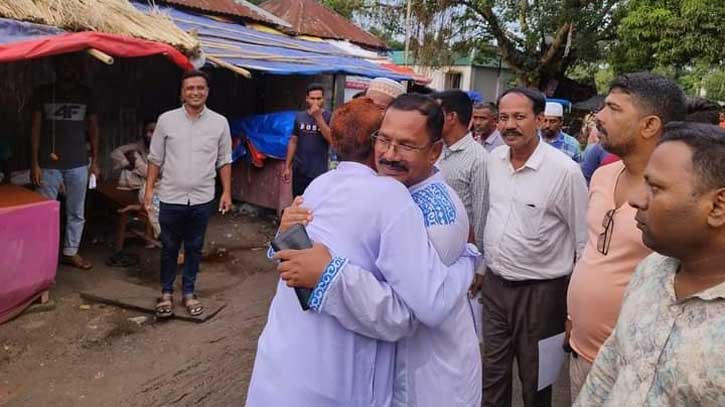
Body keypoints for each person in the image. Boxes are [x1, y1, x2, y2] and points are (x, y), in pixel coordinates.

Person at [246, 97, 475, 407]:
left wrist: (328, 274)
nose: (391, 155)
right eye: (385, 140)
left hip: (427, 379)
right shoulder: (352, 188)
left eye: (406, 145)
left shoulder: (431, 208)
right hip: (331, 375)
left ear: (435, 150)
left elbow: (425, 307)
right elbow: (297, 264)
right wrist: (290, 237)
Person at [574, 122, 725, 406]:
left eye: (655, 188)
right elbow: (610, 366)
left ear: (717, 206)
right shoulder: (651, 269)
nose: (635, 199)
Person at [566, 72, 686, 401]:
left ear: (649, 125)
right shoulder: (602, 175)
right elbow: (591, 250)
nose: (599, 117)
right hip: (581, 351)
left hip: (637, 368)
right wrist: (573, 318)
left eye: (613, 109)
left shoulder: (679, 194)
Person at [481, 87, 588, 407]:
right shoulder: (494, 159)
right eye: (503, 117)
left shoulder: (565, 171)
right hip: (496, 288)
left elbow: (583, 243)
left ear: (540, 120)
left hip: (543, 296)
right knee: (493, 375)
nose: (508, 125)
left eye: (519, 117)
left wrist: (572, 311)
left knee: (537, 382)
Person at [144, 70, 232, 318]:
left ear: (207, 91)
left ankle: (189, 293)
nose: (195, 92)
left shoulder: (219, 123)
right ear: (182, 93)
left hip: (203, 198)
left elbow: (225, 160)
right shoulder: (166, 120)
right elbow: (155, 158)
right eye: (190, 88)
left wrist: (227, 191)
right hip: (171, 196)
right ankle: (166, 292)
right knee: (169, 246)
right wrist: (149, 190)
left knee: (194, 247)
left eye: (200, 88)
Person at [30, 54, 100, 270]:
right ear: (56, 67)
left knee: (76, 212)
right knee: (45, 211)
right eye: (63, 64)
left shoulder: (86, 94)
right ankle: (43, 253)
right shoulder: (43, 92)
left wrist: (95, 161)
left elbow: (94, 128)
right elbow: (35, 128)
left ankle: (71, 252)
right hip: (47, 165)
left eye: (71, 65)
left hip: (78, 162)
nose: (67, 68)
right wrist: (34, 163)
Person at [433, 90, 488, 254]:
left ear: (451, 117)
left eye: (437, 114)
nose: (431, 119)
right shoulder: (435, 149)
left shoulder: (479, 159)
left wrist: (478, 261)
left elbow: (481, 215)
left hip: (460, 252)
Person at [282, 83, 332, 197]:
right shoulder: (299, 117)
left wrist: (318, 117)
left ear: (323, 99)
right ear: (307, 99)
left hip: (319, 171)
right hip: (300, 169)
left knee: (315, 204)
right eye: (312, 98)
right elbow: (293, 141)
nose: (315, 102)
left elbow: (331, 139)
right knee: (298, 201)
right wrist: (287, 167)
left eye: (318, 99)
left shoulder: (329, 116)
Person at [110, 120, 154, 190]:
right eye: (146, 131)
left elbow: (153, 175)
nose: (148, 135)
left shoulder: (166, 151)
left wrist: (136, 161)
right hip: (137, 186)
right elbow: (115, 153)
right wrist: (127, 164)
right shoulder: (140, 145)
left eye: (152, 131)